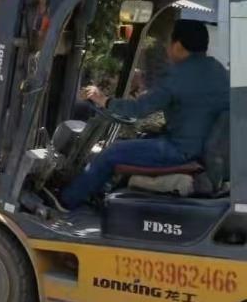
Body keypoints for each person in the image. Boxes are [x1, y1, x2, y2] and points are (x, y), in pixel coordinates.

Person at [57, 20, 228, 211]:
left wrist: (103, 100)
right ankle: (105, 196)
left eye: (169, 42)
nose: (167, 48)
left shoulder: (177, 76)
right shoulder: (219, 71)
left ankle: (65, 203)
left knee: (111, 152)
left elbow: (138, 110)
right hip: (205, 149)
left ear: (178, 45)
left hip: (181, 150)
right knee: (142, 138)